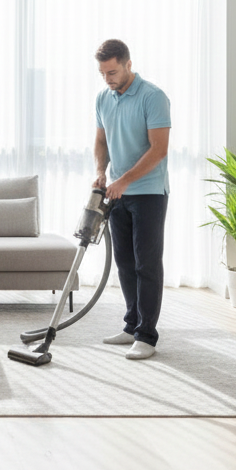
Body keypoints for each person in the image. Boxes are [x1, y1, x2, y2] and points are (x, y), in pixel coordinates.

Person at [93, 39, 171, 360]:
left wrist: (124, 180)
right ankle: (132, 325)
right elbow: (101, 141)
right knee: (124, 264)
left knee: (146, 264)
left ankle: (147, 336)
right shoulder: (103, 98)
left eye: (112, 72)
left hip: (148, 193)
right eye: (102, 73)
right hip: (117, 194)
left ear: (128, 64)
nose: (107, 78)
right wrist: (101, 172)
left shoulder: (153, 97)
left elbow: (159, 149)